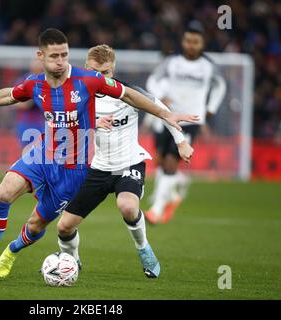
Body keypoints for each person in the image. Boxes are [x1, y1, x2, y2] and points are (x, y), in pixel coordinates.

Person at [0, 28, 198, 280]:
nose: (60, 61)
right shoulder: (36, 83)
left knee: (39, 223)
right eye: (54, 56)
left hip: (79, 168)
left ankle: (10, 253)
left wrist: (168, 118)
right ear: (41, 55)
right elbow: (10, 94)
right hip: (46, 155)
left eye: (64, 55)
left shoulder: (89, 82)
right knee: (5, 193)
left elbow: (132, 95)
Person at [56, 45, 193, 278]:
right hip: (98, 167)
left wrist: (181, 142)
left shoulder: (128, 93)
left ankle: (144, 250)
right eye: (93, 72)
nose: (98, 79)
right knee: (64, 227)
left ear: (113, 70)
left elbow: (163, 111)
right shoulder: (78, 96)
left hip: (129, 163)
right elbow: (64, 130)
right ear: (85, 69)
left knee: (128, 207)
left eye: (105, 73)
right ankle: (72, 262)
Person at [145, 21, 226, 224]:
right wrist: (160, 95)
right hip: (168, 117)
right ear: (183, 41)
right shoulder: (172, 62)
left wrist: (211, 108)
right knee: (162, 161)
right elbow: (153, 80)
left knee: (172, 160)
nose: (191, 45)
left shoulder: (208, 67)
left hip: (191, 120)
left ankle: (157, 209)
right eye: (188, 40)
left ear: (202, 44)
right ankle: (172, 197)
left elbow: (220, 86)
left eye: (195, 41)